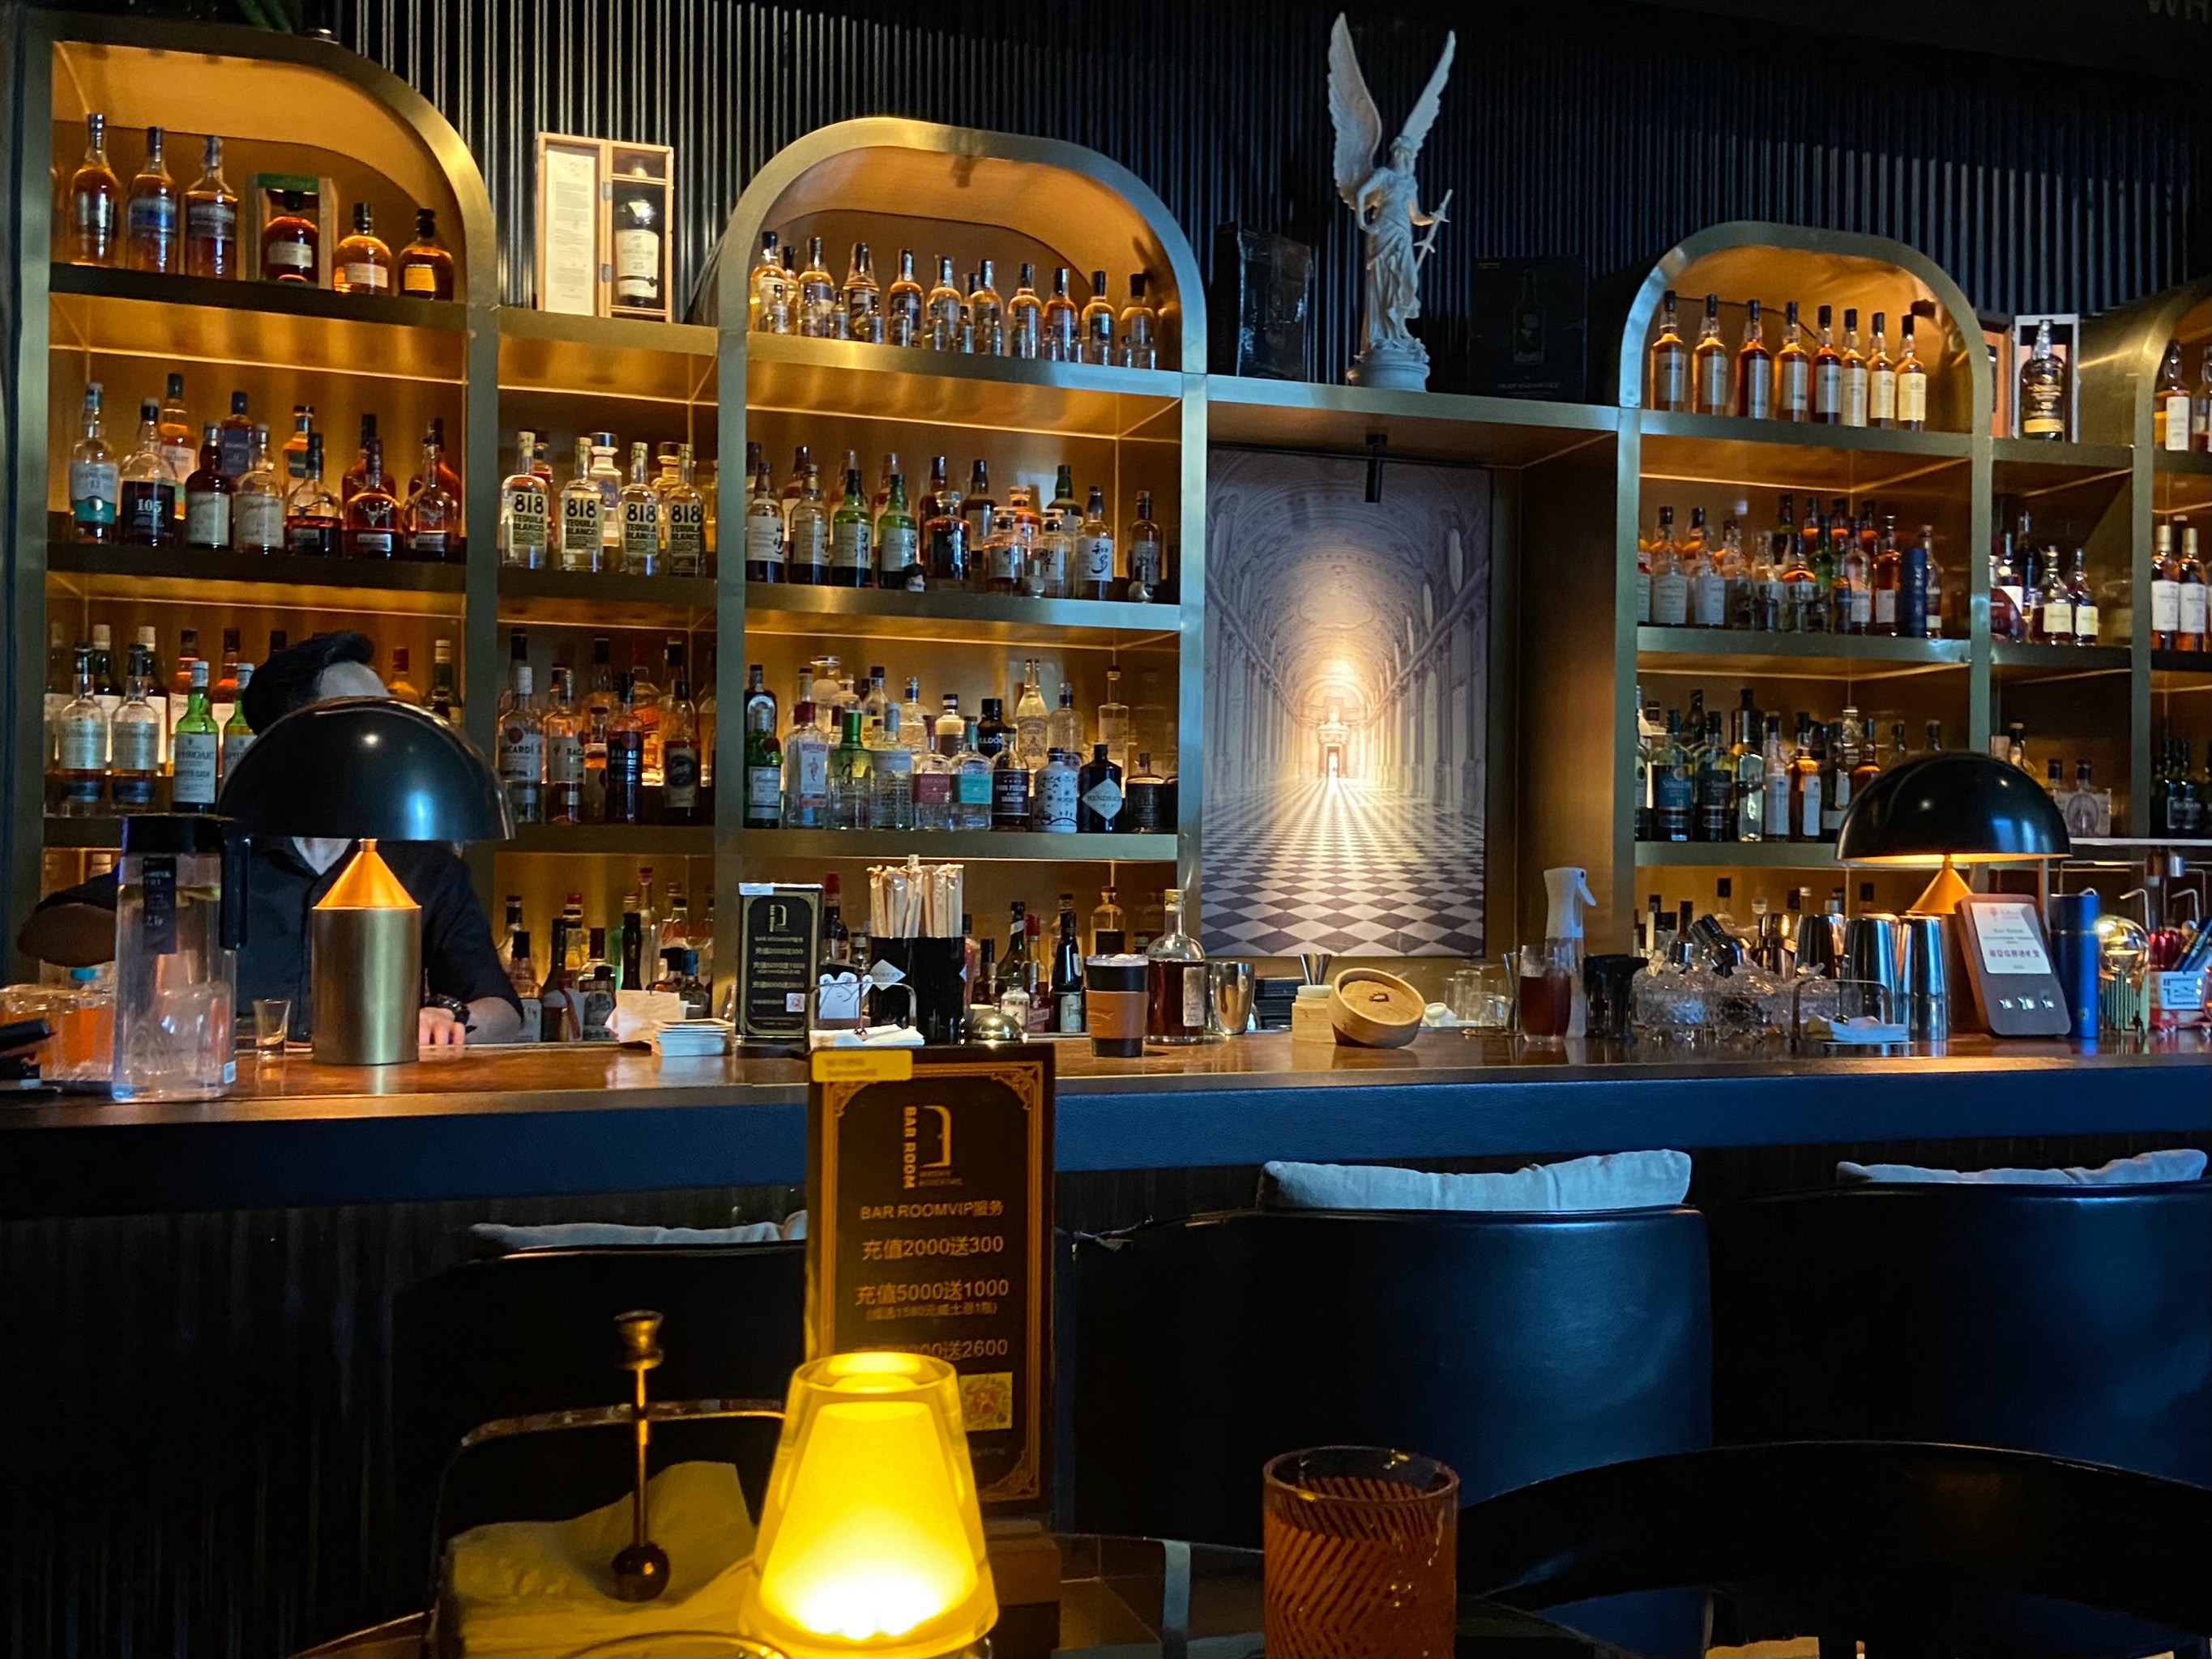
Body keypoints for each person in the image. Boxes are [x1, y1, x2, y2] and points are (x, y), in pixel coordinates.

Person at [20, 632, 522, 1048]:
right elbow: (43, 933)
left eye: (386, 715)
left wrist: (450, 1020)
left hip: (372, 1106)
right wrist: (157, 916)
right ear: (291, 738)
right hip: (229, 1103)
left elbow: (504, 1012)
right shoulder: (215, 854)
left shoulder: (423, 864)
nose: (380, 737)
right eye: (357, 719)